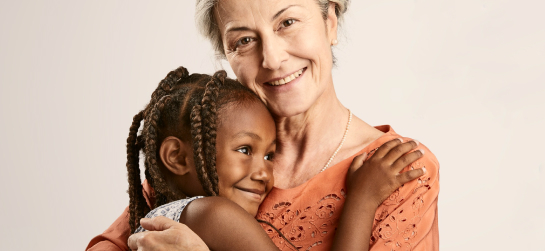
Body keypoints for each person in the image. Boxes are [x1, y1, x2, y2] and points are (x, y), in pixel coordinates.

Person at [87, 0, 440, 250]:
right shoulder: (206, 155)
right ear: (226, 56)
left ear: (330, 21)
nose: (272, 59)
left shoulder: (400, 169)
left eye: (287, 23)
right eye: (244, 40)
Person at [108, 65, 425, 251]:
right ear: (177, 157)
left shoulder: (152, 224)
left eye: (270, 155)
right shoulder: (214, 213)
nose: (264, 173)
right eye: (245, 150)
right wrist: (363, 199)